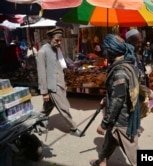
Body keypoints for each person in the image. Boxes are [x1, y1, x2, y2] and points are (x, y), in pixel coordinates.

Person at [90, 34, 140, 166]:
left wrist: (104, 123)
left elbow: (118, 99)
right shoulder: (128, 64)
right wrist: (107, 99)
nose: (104, 52)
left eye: (106, 49)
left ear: (111, 51)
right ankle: (102, 161)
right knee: (110, 140)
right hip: (120, 116)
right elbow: (118, 93)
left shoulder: (120, 73)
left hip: (122, 119)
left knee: (134, 155)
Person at [36, 27, 81, 137]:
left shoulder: (56, 50)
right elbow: (41, 73)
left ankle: (38, 124)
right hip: (52, 86)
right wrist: (44, 92)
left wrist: (63, 82)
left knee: (46, 108)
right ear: (51, 38)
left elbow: (58, 69)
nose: (59, 43)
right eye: (57, 40)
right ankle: (73, 128)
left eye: (60, 40)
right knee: (64, 108)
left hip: (59, 84)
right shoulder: (42, 52)